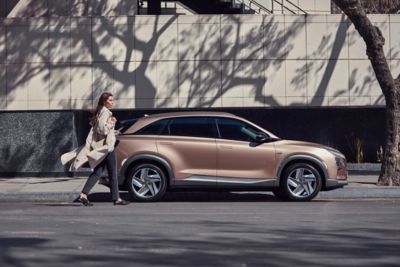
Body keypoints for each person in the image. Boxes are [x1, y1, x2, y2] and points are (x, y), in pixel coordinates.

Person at [76, 92, 129, 206]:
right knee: (112, 173)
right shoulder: (106, 112)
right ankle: (116, 199)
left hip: (104, 146)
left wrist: (113, 132)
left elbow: (101, 130)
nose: (112, 102)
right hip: (107, 148)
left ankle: (83, 195)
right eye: (110, 100)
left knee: (98, 172)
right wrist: (112, 123)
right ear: (104, 101)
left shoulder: (101, 111)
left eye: (112, 100)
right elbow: (102, 130)